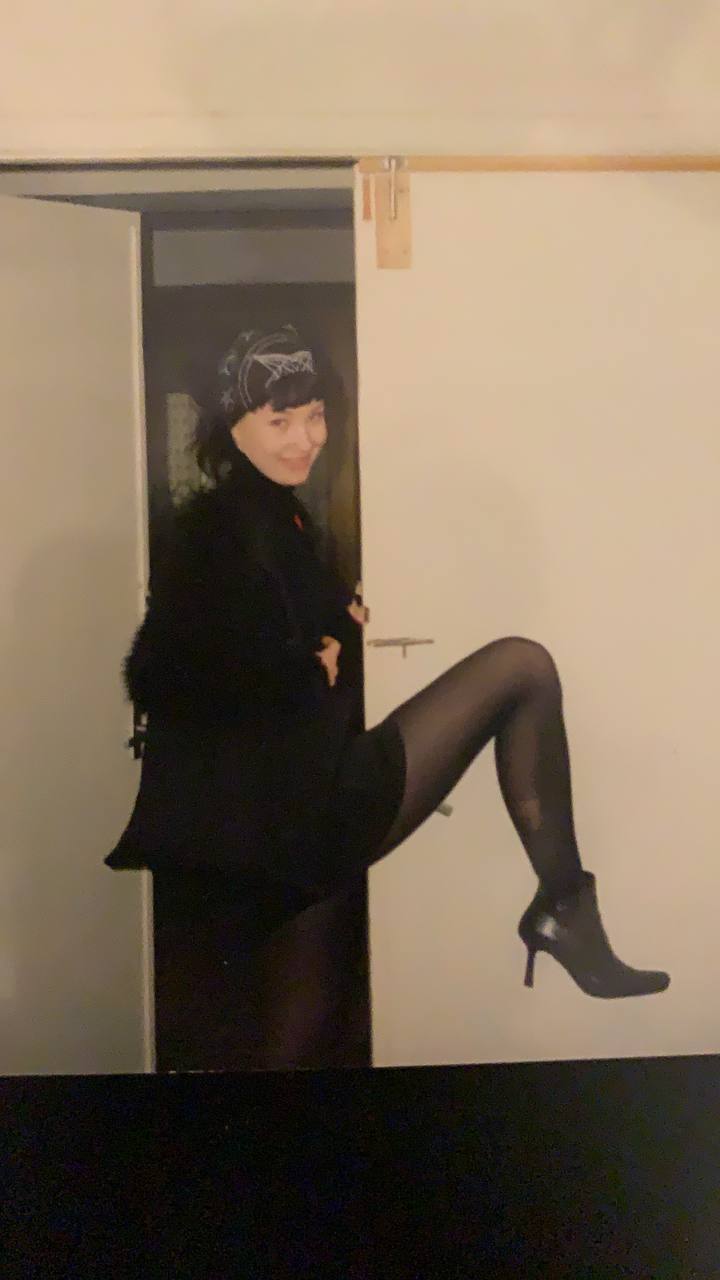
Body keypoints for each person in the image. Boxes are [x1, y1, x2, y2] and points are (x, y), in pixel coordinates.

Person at [106, 323, 669, 1002]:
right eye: (280, 420)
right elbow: (168, 673)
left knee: (296, 1032)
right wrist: (304, 670)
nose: (305, 438)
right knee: (523, 669)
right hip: (292, 811)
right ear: (234, 428)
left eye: (314, 415)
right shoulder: (220, 527)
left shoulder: (272, 512)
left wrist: (338, 627)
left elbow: (270, 625)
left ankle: (565, 909)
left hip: (279, 810)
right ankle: (567, 910)